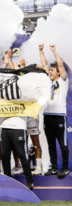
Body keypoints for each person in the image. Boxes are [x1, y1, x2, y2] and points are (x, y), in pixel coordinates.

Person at [39, 44, 69, 177]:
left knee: (62, 144)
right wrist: (41, 51)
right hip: (47, 116)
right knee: (51, 144)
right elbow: (44, 64)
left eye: (52, 70)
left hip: (59, 116)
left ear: (58, 72)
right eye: (49, 70)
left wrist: (54, 51)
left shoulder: (63, 81)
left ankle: (65, 168)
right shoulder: (48, 80)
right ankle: (54, 168)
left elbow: (61, 66)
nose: (49, 72)